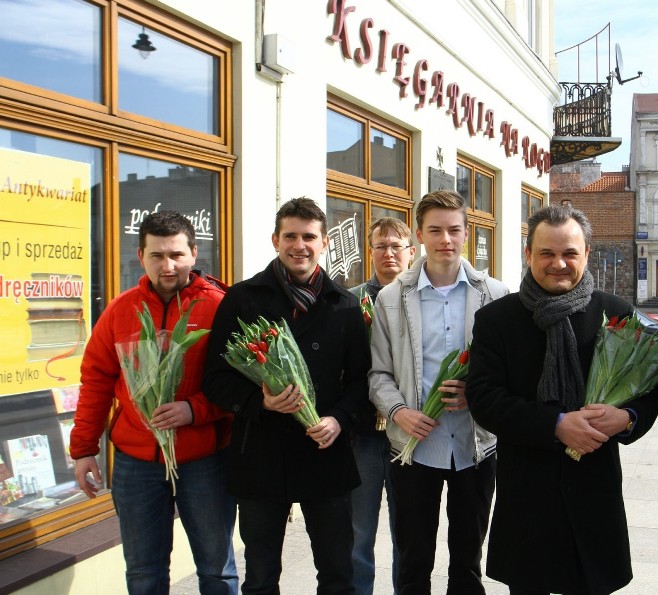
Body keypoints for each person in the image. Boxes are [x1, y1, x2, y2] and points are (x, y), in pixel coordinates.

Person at [465, 205, 658, 595]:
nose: (558, 263)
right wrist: (555, 425)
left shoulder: (616, 314)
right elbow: (484, 398)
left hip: (594, 489)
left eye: (569, 253)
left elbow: (648, 393)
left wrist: (627, 418)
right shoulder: (496, 319)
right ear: (528, 254)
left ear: (587, 253)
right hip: (528, 493)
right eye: (546, 253)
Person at [203, 197, 370, 594]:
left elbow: (362, 382)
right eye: (291, 236)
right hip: (261, 453)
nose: (300, 245)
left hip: (324, 454)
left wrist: (337, 420)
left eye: (309, 236)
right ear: (275, 240)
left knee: (337, 574)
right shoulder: (243, 299)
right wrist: (259, 401)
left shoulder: (344, 305)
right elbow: (215, 378)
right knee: (260, 577)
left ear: (325, 242)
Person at [70, 210, 237, 595]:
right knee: (144, 573)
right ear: (139, 255)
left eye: (177, 255)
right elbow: (95, 379)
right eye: (157, 255)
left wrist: (194, 410)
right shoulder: (121, 309)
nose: (168, 265)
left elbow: (239, 385)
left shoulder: (219, 307)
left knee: (217, 569)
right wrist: (83, 449)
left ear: (194, 254)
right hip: (136, 462)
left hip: (204, 460)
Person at [369, 190, 509, 595]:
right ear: (419, 235)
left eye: (454, 230)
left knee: (467, 563)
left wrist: (478, 395)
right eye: (435, 230)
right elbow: (378, 372)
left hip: (475, 446)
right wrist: (398, 411)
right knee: (413, 563)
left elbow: (506, 372)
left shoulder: (494, 295)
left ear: (467, 233)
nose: (445, 239)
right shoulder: (392, 298)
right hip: (413, 447)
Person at [349, 217, 415, 595]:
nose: (388, 253)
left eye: (396, 245)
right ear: (370, 251)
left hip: (407, 433)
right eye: (380, 246)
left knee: (407, 531)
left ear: (410, 251)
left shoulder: (420, 299)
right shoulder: (351, 300)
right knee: (358, 532)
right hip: (362, 437)